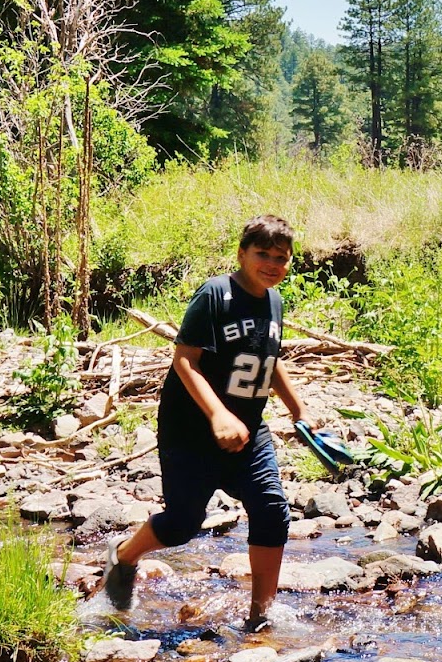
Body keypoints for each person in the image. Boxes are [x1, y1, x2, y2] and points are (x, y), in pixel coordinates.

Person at [104, 215, 307, 632]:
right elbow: (184, 359)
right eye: (262, 255)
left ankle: (260, 615)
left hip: (249, 431)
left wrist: (298, 408)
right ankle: (124, 557)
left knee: (271, 510)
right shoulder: (216, 295)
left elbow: (270, 360)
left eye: (281, 258)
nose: (272, 264)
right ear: (241, 254)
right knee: (181, 525)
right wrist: (217, 414)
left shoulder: (274, 300)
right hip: (191, 432)